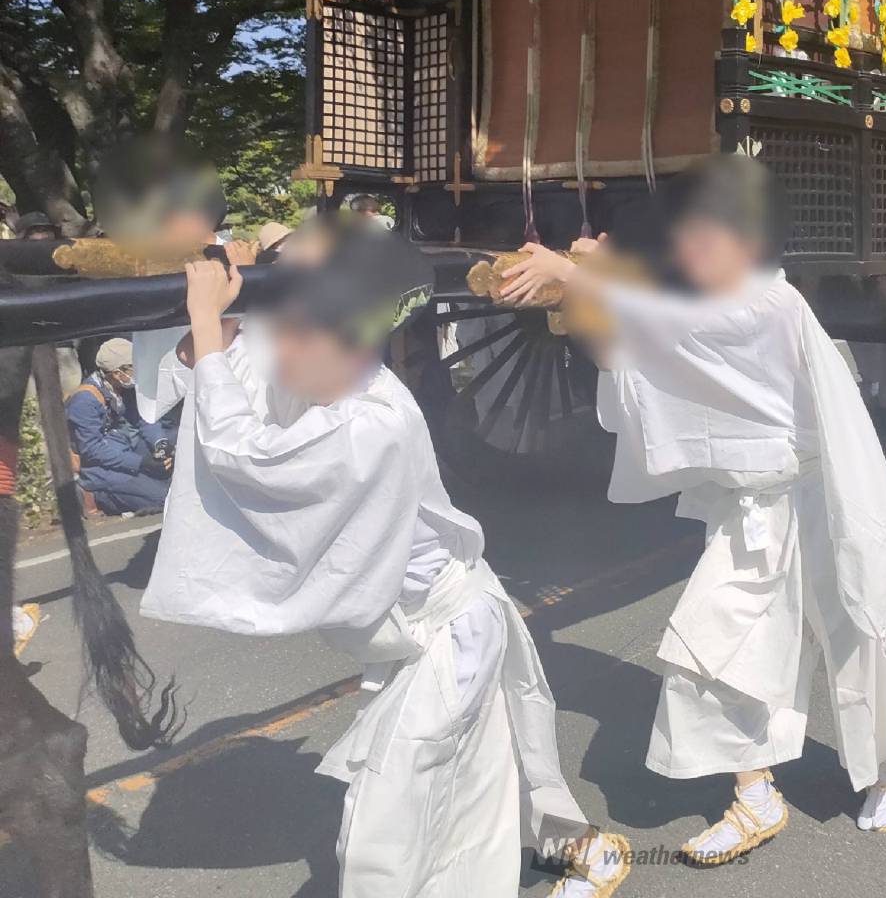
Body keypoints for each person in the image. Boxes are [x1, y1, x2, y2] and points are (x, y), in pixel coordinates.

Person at [137, 229, 631, 898]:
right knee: (501, 755)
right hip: (432, 631)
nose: (274, 351)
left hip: (449, 638)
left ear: (346, 340)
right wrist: (233, 297)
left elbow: (241, 450)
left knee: (385, 827)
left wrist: (206, 318)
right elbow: (234, 369)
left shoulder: (373, 423)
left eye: (290, 333)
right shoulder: (326, 373)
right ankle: (586, 849)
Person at [502, 155, 886, 865]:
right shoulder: (681, 300)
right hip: (752, 509)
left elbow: (691, 330)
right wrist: (591, 296)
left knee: (859, 627)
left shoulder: (770, 301)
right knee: (712, 649)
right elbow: (630, 361)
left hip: (822, 495)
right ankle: (756, 795)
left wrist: (586, 276)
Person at [65, 338, 175, 516]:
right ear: (117, 373)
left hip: (127, 449)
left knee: (176, 439)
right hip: (102, 469)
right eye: (133, 367)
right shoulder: (84, 401)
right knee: (164, 499)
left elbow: (144, 419)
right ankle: (95, 496)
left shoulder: (125, 389)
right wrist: (140, 464)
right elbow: (93, 450)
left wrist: (160, 443)